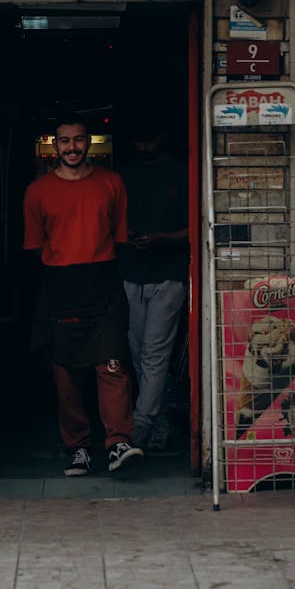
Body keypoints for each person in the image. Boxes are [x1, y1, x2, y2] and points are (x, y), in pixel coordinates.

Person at [23, 116, 144, 476]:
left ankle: (118, 442)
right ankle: (77, 448)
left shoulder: (112, 183)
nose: (72, 148)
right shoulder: (37, 191)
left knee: (113, 365)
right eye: (64, 141)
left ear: (88, 142)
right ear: (54, 145)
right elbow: (34, 247)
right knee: (65, 372)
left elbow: (120, 239)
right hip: (58, 285)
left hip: (103, 282)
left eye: (78, 140)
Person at [119, 118, 189, 452]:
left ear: (162, 136)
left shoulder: (181, 172)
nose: (142, 147)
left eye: (148, 140)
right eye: (137, 141)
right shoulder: (126, 174)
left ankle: (141, 424)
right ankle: (159, 418)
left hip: (169, 273)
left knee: (154, 354)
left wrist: (161, 239)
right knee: (137, 354)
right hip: (130, 271)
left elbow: (197, 226)